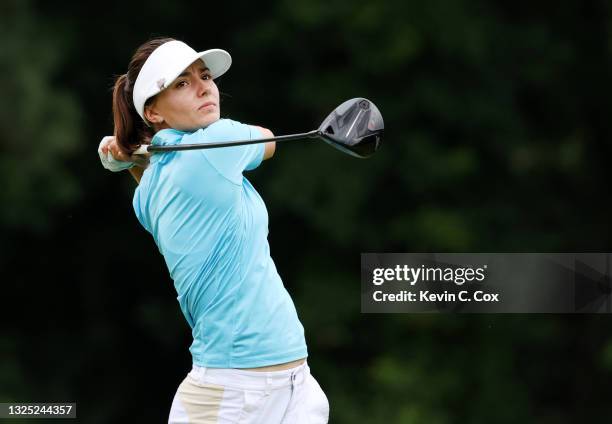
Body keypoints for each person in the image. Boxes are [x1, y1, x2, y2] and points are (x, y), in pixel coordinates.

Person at [98, 37, 329, 424]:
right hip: (233, 395)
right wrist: (130, 157)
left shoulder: (150, 189)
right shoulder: (216, 144)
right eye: (182, 83)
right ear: (152, 113)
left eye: (205, 76)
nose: (205, 87)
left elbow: (151, 172)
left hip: (292, 386)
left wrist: (127, 157)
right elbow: (268, 139)